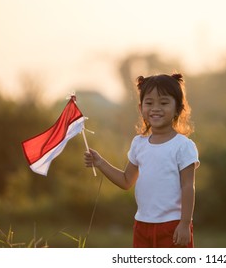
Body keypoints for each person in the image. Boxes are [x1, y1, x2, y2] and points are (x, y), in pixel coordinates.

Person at [84, 73, 199, 248]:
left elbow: (188, 186)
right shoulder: (139, 144)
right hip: (142, 225)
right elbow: (126, 181)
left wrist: (184, 224)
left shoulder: (183, 146)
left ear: (178, 108)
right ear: (141, 108)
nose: (156, 108)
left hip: (173, 226)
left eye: (164, 103)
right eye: (149, 103)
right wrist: (100, 163)